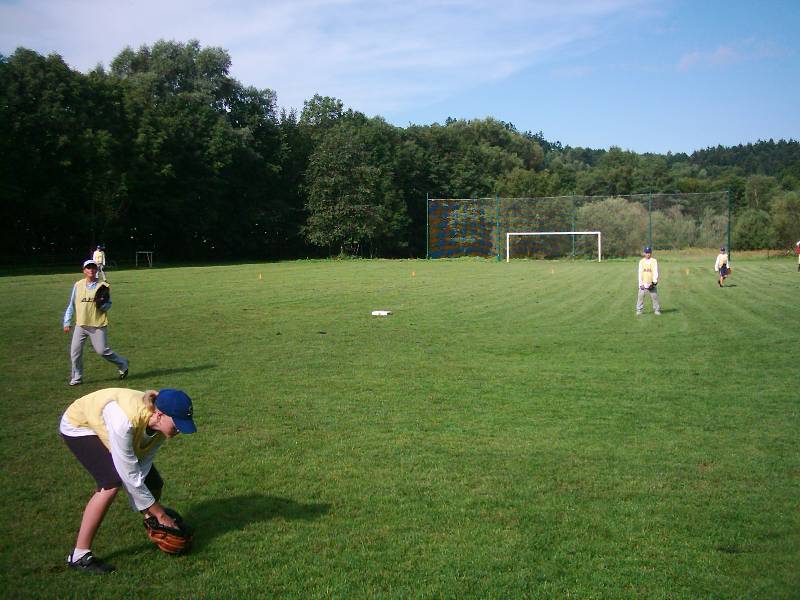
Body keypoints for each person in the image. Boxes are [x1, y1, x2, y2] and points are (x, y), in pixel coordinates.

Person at [60, 387, 197, 573]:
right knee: (110, 482)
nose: (179, 430)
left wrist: (150, 512)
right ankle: (79, 555)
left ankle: (151, 520)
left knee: (153, 482)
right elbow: (128, 474)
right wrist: (160, 514)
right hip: (80, 425)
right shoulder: (124, 420)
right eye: (177, 424)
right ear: (159, 415)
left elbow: (143, 464)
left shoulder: (159, 427)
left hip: (110, 428)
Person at [63, 259, 128, 386]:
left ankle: (123, 364)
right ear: (84, 271)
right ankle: (77, 378)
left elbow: (108, 304)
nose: (91, 270)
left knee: (102, 350)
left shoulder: (102, 286)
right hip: (81, 324)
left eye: (93, 268)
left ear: (96, 270)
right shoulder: (78, 285)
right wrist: (67, 322)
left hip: (97, 325)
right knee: (75, 353)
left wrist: (103, 305)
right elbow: (71, 304)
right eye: (88, 268)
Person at [636, 246, 661, 315]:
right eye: (646, 253)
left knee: (654, 297)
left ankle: (657, 310)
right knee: (640, 297)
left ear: (651, 253)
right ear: (644, 253)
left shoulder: (654, 261)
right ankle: (639, 310)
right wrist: (640, 284)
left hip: (651, 283)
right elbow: (640, 273)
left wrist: (654, 282)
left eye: (649, 253)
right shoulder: (641, 262)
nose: (648, 254)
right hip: (643, 283)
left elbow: (655, 271)